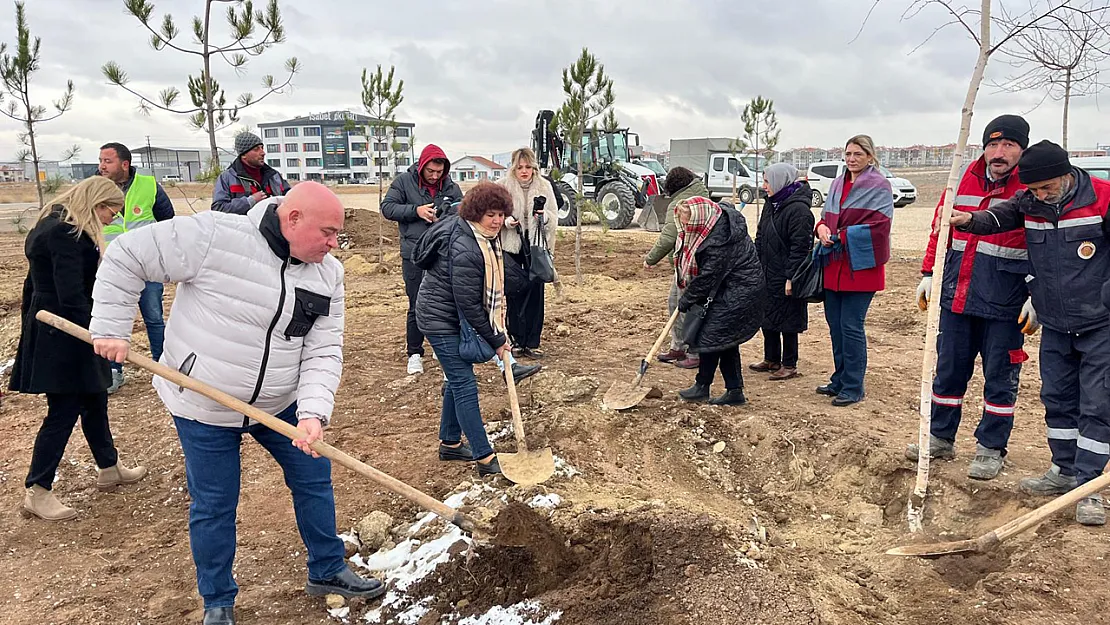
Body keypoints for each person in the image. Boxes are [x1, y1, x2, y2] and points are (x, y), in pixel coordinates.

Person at [89, 182, 384, 624]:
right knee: (214, 502)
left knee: (313, 475)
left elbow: (324, 351)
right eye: (327, 232)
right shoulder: (214, 237)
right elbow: (128, 254)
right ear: (293, 219)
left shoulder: (329, 275)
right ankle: (218, 602)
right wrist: (111, 326)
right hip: (204, 402)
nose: (334, 243)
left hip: (277, 403)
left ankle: (327, 569)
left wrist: (312, 413)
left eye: (337, 234)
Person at [951, 140, 1110, 526]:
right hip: (1054, 322)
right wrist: (970, 221)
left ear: (1067, 173)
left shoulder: (1102, 199)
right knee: (1057, 397)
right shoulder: (1031, 201)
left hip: (1100, 322)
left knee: (1097, 403)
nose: (1040, 195)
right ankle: (1064, 470)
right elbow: (1001, 216)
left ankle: (1090, 489)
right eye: (1034, 190)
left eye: (1046, 188)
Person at [11, 176, 148, 521]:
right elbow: (71, 295)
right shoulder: (65, 234)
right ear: (96, 204)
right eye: (110, 212)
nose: (112, 219)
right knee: (64, 410)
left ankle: (109, 465)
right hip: (63, 333)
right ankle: (38, 490)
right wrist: (104, 331)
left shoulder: (53, 224)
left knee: (94, 396)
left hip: (62, 327)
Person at [906, 115, 1034, 481]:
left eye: (1008, 145)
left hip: (1006, 303)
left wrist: (1035, 295)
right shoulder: (961, 180)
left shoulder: (1029, 188)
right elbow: (939, 230)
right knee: (948, 371)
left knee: (1000, 377)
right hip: (957, 298)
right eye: (993, 145)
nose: (999, 152)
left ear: (1021, 149)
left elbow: (1043, 246)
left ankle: (991, 448)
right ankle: (941, 437)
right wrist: (930, 273)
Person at [413, 182, 521, 477]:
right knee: (464, 384)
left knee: (455, 379)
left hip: (448, 313)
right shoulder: (467, 248)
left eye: (501, 214)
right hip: (440, 319)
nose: (497, 221)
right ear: (476, 214)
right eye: (491, 215)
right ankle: (485, 459)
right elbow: (471, 305)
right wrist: (497, 340)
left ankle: (449, 443)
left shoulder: (477, 235)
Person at [814, 135, 893, 407]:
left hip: (861, 267)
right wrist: (821, 228)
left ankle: (853, 386)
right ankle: (839, 378)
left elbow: (881, 226)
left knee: (851, 326)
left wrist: (843, 236)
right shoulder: (837, 183)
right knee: (835, 326)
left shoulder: (879, 186)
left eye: (858, 154)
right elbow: (826, 216)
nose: (851, 158)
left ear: (869, 156)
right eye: (848, 153)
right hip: (833, 264)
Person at [98, 142, 176, 394]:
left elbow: (168, 223)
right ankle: (112, 372)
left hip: (147, 268)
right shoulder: (96, 188)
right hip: (112, 268)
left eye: (107, 161)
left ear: (124, 164)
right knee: (113, 320)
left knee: (153, 317)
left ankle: (162, 368)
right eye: (100, 160)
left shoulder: (149, 186)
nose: (101, 165)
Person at [674, 196, 765, 406]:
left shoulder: (720, 239)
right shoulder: (712, 225)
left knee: (714, 339)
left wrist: (686, 300)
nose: (686, 227)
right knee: (719, 341)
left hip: (740, 293)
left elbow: (708, 276)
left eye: (689, 222)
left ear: (699, 219)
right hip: (725, 290)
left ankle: (719, 388)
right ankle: (718, 388)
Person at [382, 144, 464, 375]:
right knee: (417, 303)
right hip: (414, 253)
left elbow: (463, 209)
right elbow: (387, 208)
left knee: (446, 301)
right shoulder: (403, 182)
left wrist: (446, 213)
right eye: (431, 172)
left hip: (443, 253)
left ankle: (442, 344)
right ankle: (415, 352)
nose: (435, 176)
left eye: (439, 172)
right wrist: (415, 211)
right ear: (422, 166)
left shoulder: (450, 186)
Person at [752, 163, 815, 381]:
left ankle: (789, 364)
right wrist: (756, 264)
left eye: (767, 181)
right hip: (767, 271)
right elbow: (760, 236)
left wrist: (791, 277)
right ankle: (771, 358)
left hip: (787, 274)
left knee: (788, 319)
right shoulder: (772, 204)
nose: (764, 186)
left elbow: (801, 248)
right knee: (768, 316)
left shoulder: (799, 210)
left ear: (781, 181)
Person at [644, 166, 711, 370]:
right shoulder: (700, 191)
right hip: (685, 263)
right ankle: (679, 346)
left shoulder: (682, 202)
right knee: (674, 302)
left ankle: (693, 352)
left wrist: (651, 259)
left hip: (691, 265)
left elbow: (669, 237)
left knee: (688, 308)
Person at [496, 147, 557, 359]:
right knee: (513, 293)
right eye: (520, 167)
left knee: (536, 293)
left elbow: (554, 217)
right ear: (513, 167)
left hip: (536, 245)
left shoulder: (544, 186)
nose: (524, 171)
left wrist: (543, 217)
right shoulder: (502, 187)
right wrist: (505, 222)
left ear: (534, 167)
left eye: (528, 167)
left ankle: (532, 341)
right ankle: (515, 339)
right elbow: (492, 215)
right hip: (511, 245)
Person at [211, 130, 291, 214]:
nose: (263, 153)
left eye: (262, 148)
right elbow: (218, 208)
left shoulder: (274, 176)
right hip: (244, 226)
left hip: (274, 226)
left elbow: (292, 199)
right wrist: (251, 201)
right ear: (243, 155)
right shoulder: (227, 178)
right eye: (256, 149)